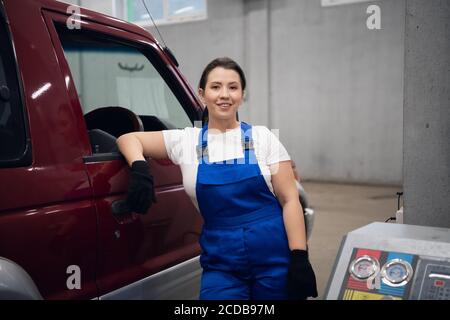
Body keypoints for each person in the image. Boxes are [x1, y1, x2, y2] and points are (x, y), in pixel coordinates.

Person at [117, 57, 318, 300]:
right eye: (216, 87)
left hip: (275, 259)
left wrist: (299, 257)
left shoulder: (262, 137)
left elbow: (290, 200)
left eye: (233, 87)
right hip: (222, 264)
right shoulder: (187, 140)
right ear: (202, 94)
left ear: (242, 94)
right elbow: (129, 139)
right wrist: (139, 167)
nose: (225, 94)